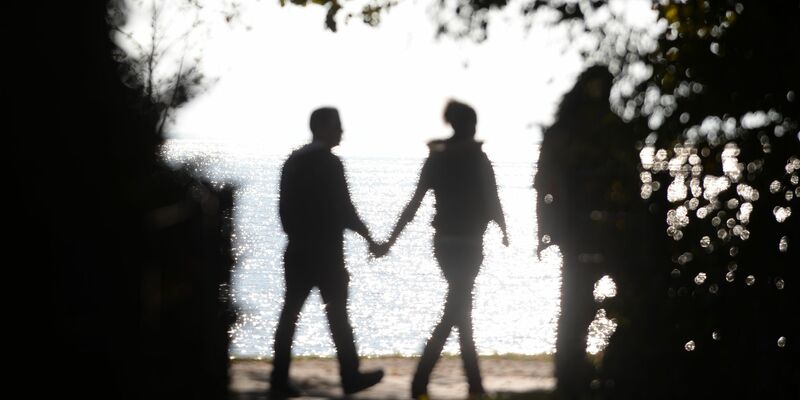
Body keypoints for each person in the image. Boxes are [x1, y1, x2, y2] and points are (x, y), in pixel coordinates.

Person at [376, 100, 509, 399]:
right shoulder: (477, 158)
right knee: (457, 310)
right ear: (466, 124)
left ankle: (471, 383)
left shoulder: (438, 158)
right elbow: (492, 197)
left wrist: (390, 240)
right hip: (469, 243)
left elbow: (414, 204)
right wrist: (503, 228)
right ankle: (426, 378)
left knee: (461, 310)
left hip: (445, 244)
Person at [534, 65, 640, 399]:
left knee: (587, 307)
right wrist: (546, 229)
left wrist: (546, 229)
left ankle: (591, 373)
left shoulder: (592, 131)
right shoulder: (576, 132)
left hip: (599, 230)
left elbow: (545, 188)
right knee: (580, 306)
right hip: (584, 230)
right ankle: (578, 375)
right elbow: (545, 187)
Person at [270, 107, 384, 398]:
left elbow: (283, 209)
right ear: (322, 127)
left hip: (297, 249)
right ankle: (350, 375)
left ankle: (278, 378)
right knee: (337, 315)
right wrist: (368, 236)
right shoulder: (330, 164)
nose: (341, 131)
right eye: (337, 125)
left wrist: (295, 234)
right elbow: (344, 208)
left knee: (290, 313)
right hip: (327, 253)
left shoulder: (293, 161)